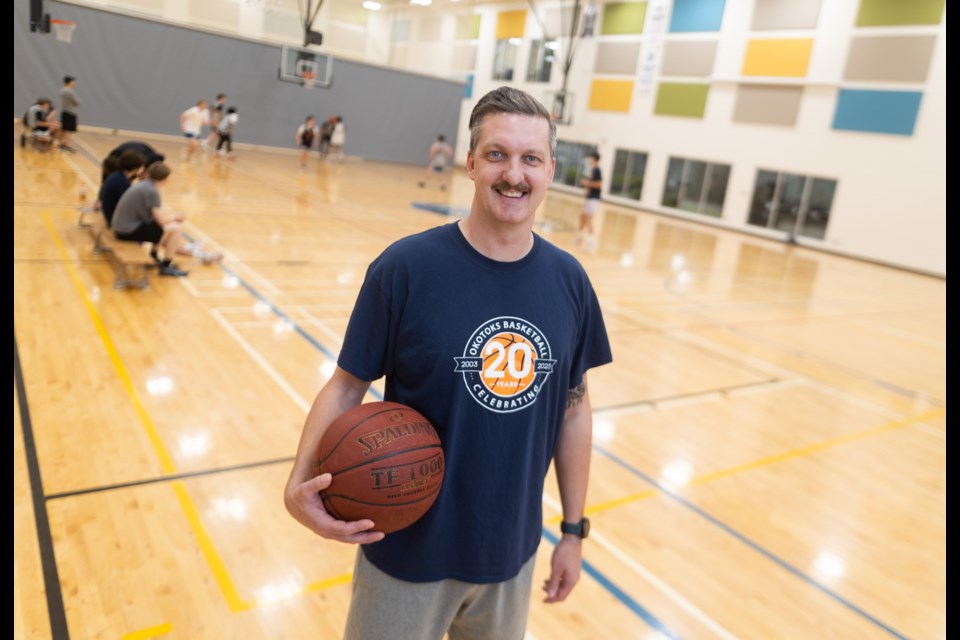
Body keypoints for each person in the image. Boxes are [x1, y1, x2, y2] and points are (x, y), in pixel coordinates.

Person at [284, 86, 612, 640]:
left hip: (510, 555)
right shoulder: (405, 268)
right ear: (470, 163)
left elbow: (574, 410)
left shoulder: (570, 282)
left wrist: (574, 532)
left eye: (531, 158)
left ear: (551, 169)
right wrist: (299, 482)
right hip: (407, 552)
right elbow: (346, 387)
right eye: (497, 154)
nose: (515, 173)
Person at [111, 162, 223, 277]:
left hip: (121, 226)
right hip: (126, 230)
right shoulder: (152, 191)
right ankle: (166, 265)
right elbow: (161, 220)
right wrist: (176, 217)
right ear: (165, 179)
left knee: (167, 232)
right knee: (175, 228)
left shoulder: (145, 185)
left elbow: (157, 217)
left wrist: (170, 219)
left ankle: (155, 255)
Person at [98, 149, 146, 227]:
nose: (143, 168)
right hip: (115, 220)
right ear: (134, 167)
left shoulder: (117, 176)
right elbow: (128, 206)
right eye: (141, 166)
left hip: (111, 215)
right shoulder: (122, 182)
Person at [576, 152, 602, 248]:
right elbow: (592, 184)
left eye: (590, 158)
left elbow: (598, 184)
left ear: (594, 159)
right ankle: (580, 235)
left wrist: (586, 183)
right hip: (589, 198)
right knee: (582, 216)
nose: (589, 160)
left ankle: (591, 240)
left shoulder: (597, 170)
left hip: (594, 199)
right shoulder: (592, 170)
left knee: (589, 219)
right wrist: (587, 188)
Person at [58, 76, 80, 152]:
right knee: (69, 130)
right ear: (70, 82)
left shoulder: (62, 90)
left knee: (63, 128)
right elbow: (77, 102)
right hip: (71, 112)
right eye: (73, 81)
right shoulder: (70, 91)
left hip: (64, 111)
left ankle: (60, 144)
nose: (74, 83)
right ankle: (65, 145)